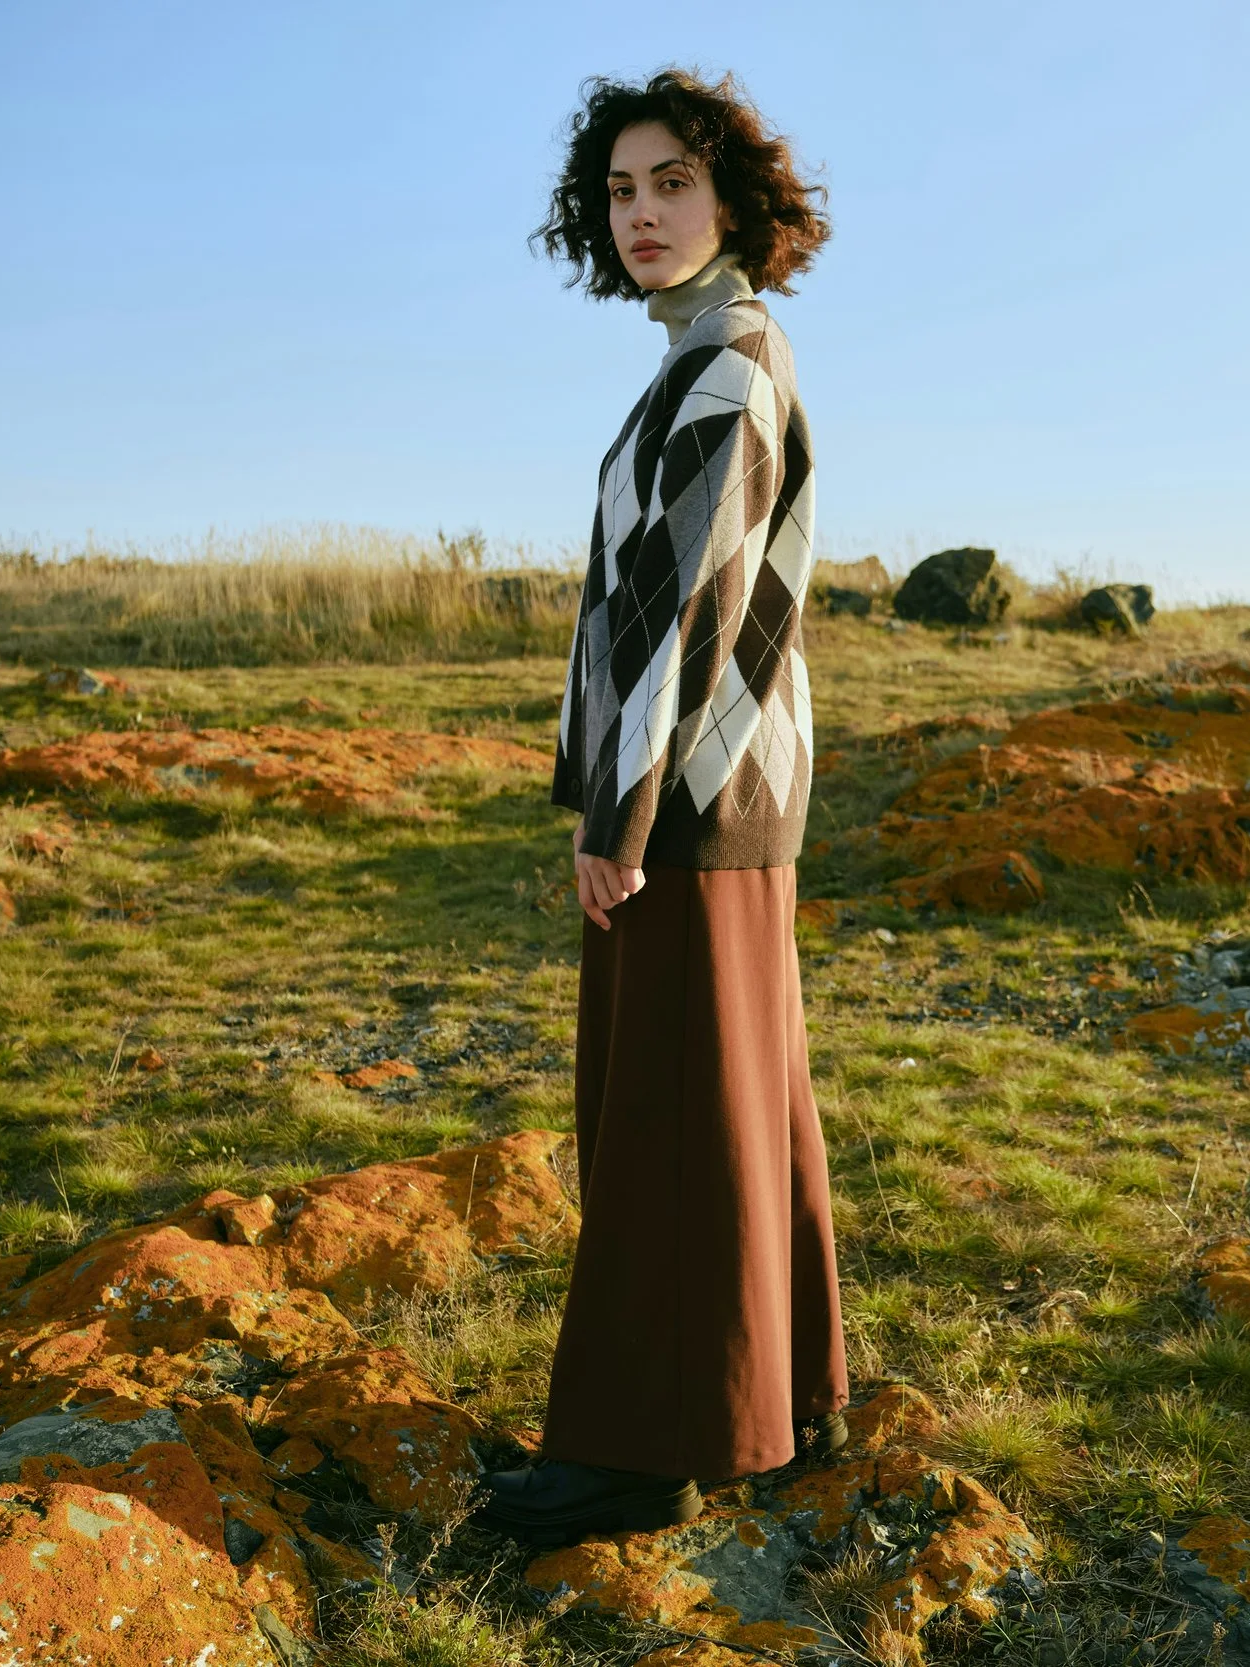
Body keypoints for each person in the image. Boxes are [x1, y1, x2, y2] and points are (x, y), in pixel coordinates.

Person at [477, 67, 847, 1546]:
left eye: (672, 183)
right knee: (740, 1096)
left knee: (669, 1119)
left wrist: (615, 818)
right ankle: (792, 1401)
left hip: (688, 802)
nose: (643, 213)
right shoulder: (715, 350)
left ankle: (641, 1448)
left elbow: (678, 611)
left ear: (733, 197)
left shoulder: (727, 362)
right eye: (622, 191)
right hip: (717, 795)